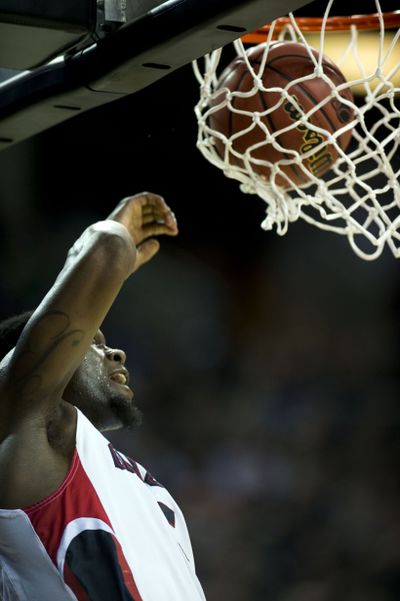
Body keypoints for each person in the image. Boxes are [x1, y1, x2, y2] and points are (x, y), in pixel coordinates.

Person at [0, 192, 207, 601]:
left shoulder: (138, 485)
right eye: (91, 344)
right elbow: (107, 249)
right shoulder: (23, 431)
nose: (115, 353)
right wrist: (113, 238)